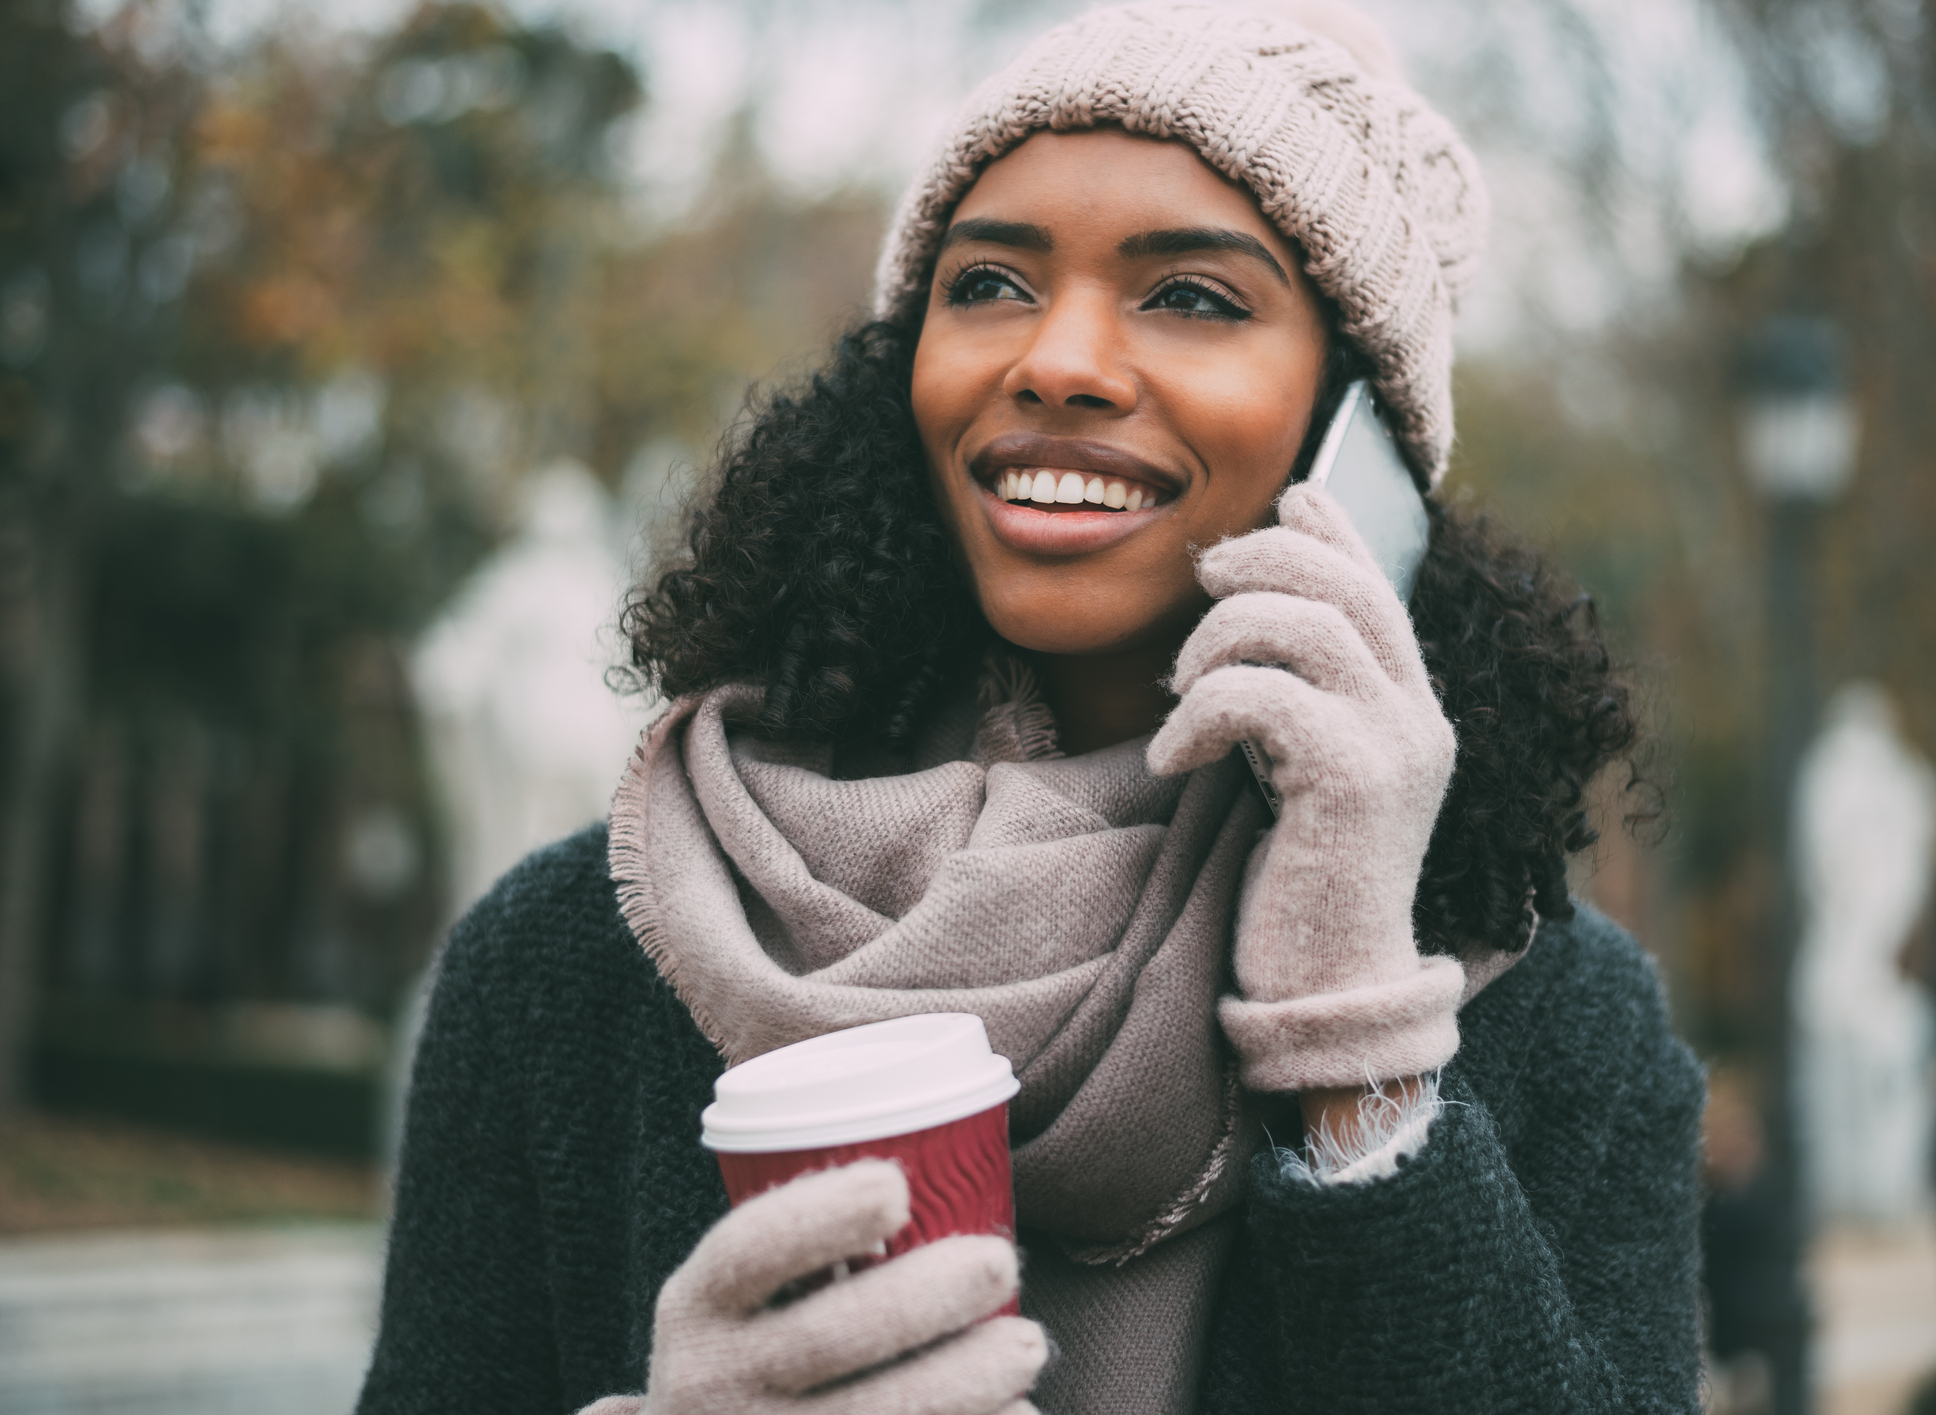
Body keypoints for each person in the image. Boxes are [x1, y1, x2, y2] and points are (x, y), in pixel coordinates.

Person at [355, 4, 1705, 1413]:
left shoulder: (1561, 1015)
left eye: (1190, 294)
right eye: (988, 280)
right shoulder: (564, 957)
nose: (1052, 358)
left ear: (1348, 428)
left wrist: (1352, 1032)